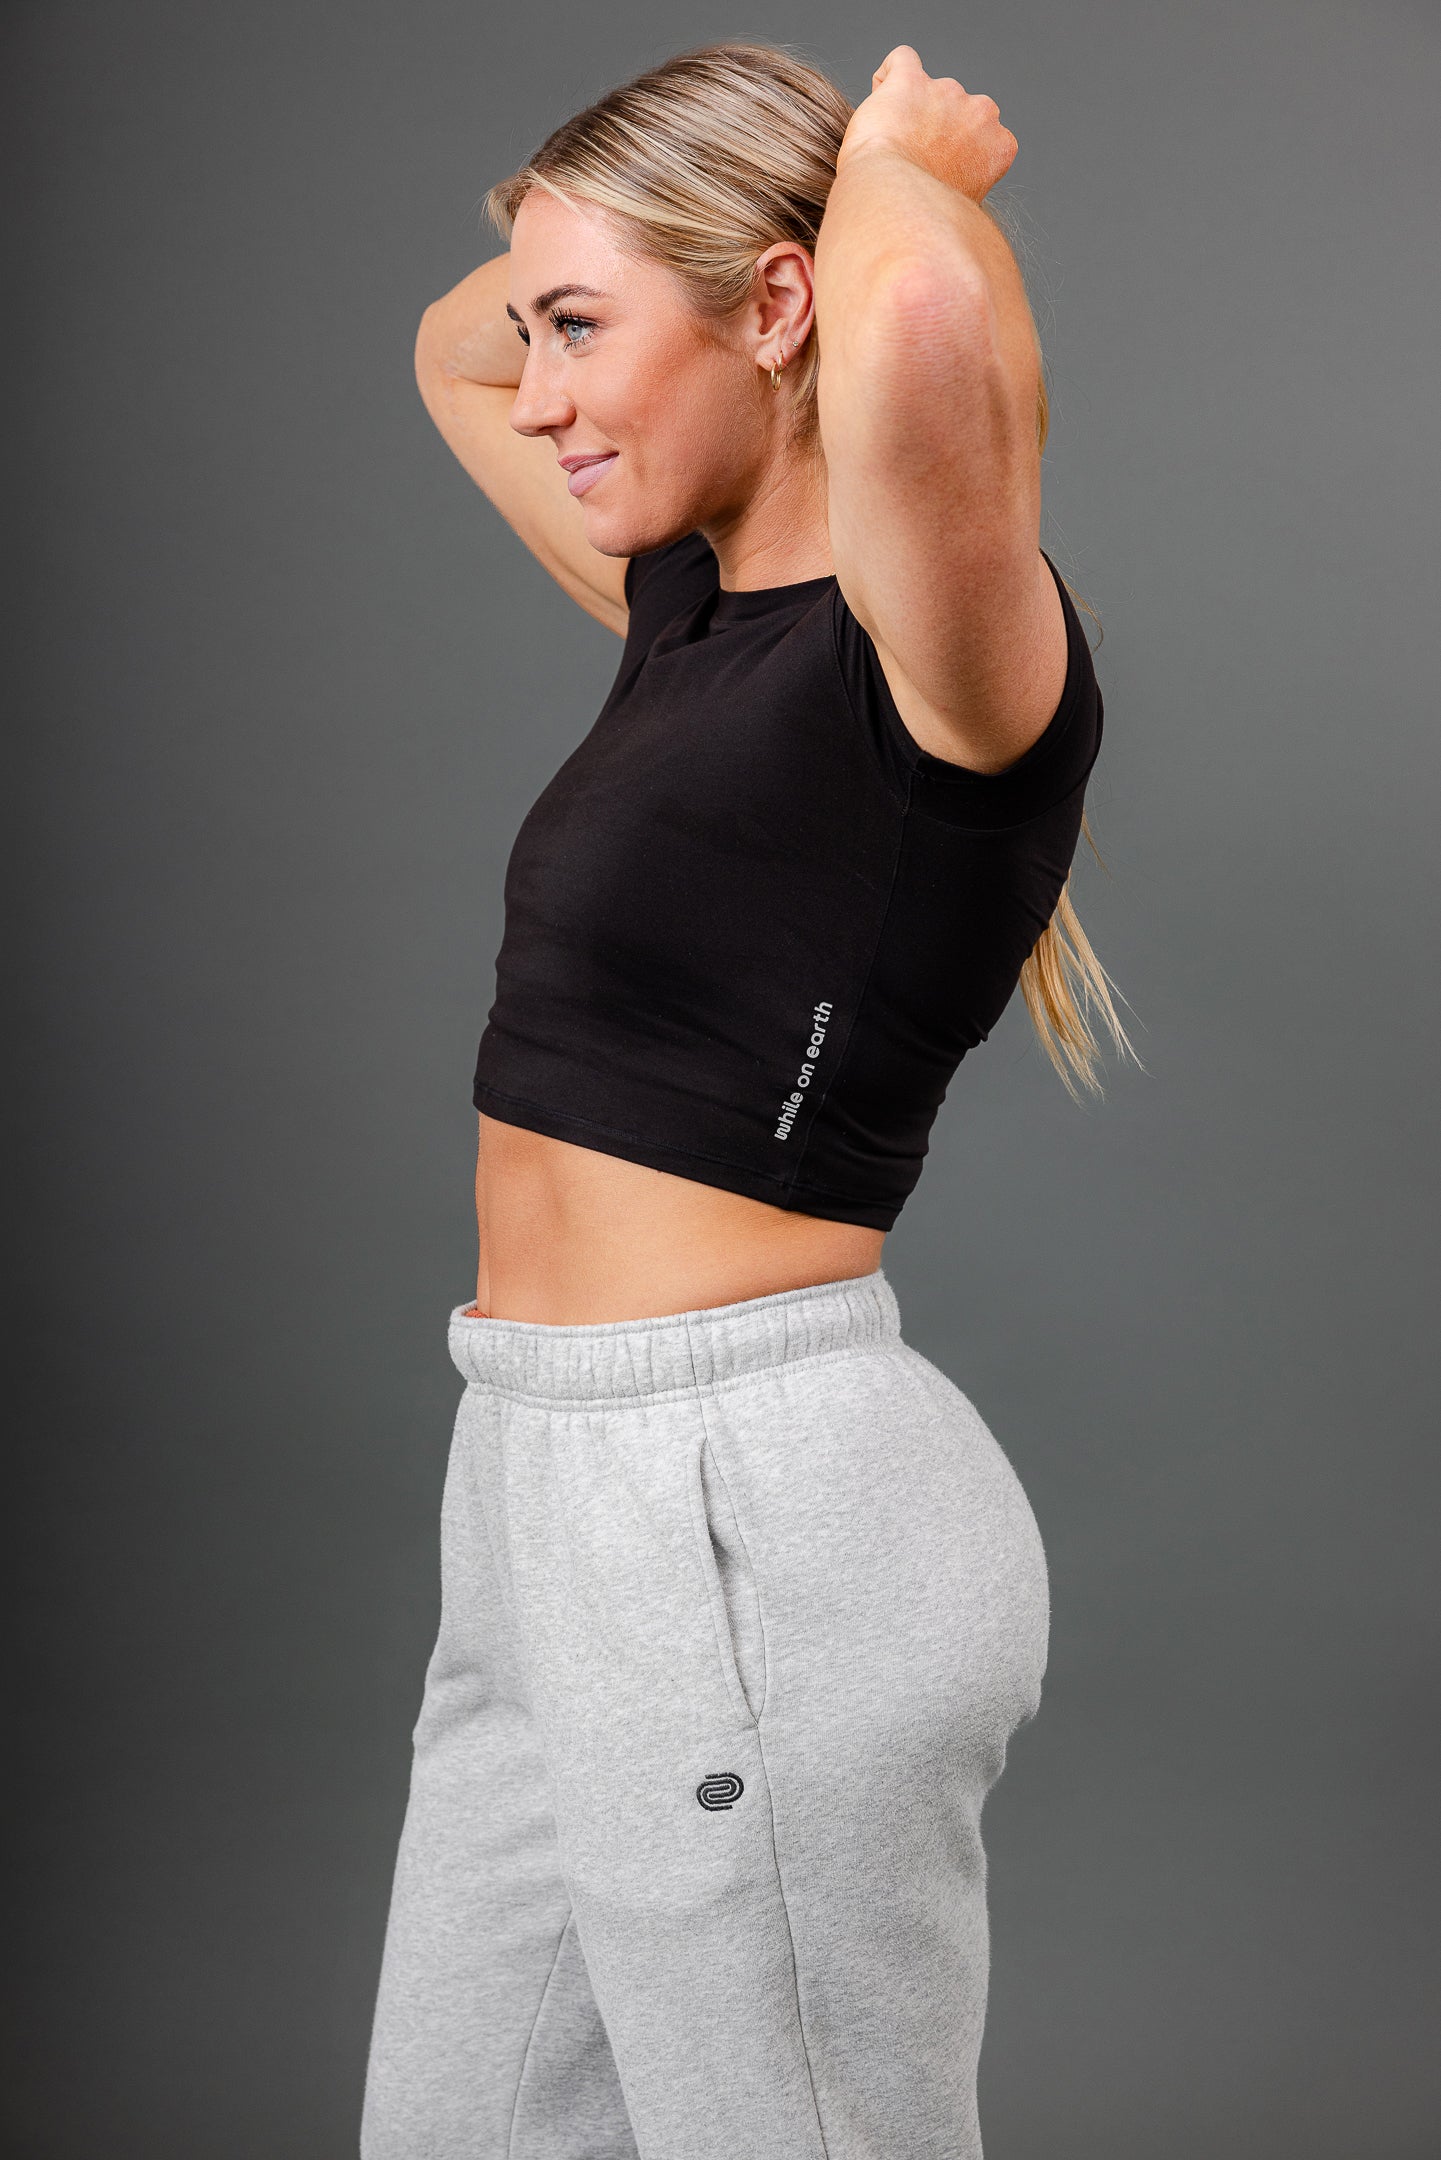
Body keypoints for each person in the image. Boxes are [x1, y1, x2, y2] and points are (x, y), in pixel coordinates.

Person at [361, 39, 1135, 2160]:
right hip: (538, 1490)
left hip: (745, 1507)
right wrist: (627, 250)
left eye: (584, 330)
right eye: (550, 331)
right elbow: (446, 347)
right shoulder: (687, 612)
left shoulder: (939, 660)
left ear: (781, 304)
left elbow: (917, 312)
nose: (540, 394)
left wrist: (884, 167)